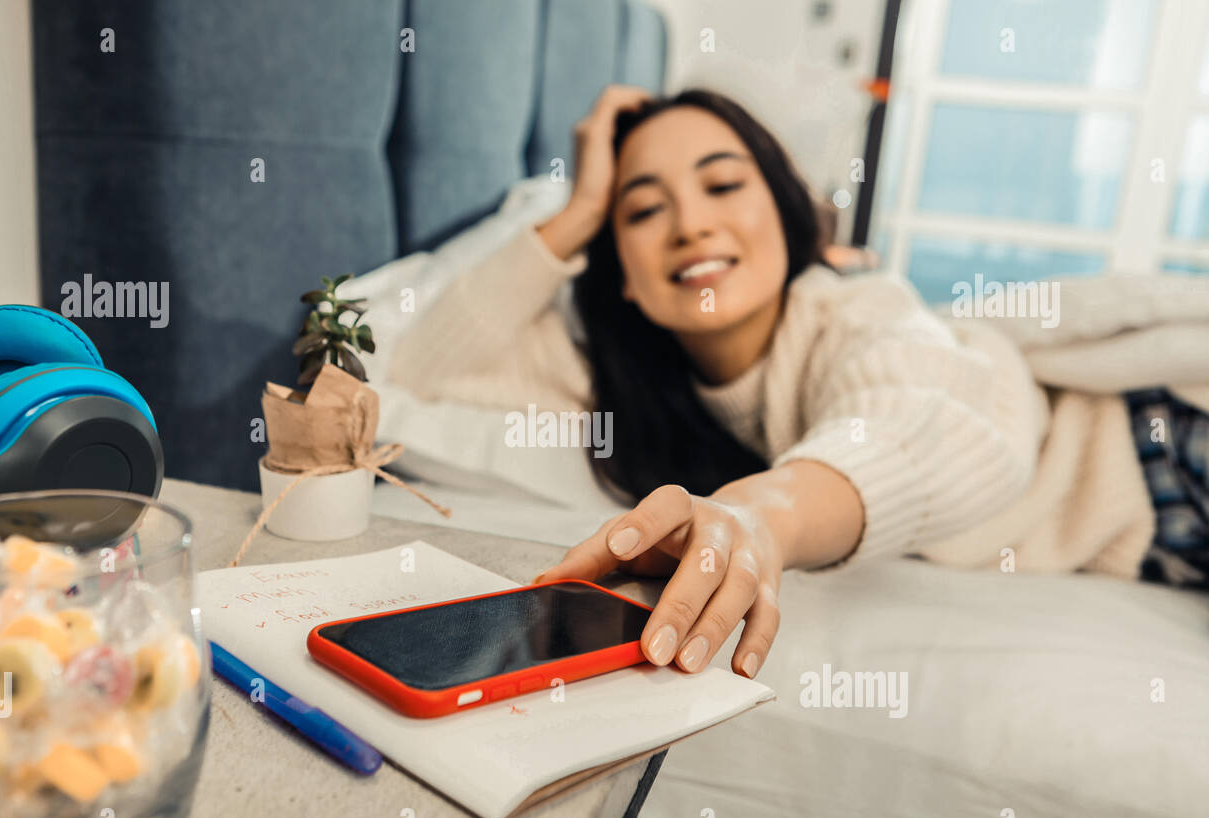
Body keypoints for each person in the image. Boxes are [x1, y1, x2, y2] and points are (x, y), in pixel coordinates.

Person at [388, 85, 1206, 681]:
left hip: (1160, 447)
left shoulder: (857, 313)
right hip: (1155, 549)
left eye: (722, 184)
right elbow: (412, 369)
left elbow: (934, 422)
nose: (693, 223)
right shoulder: (621, 384)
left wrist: (760, 514)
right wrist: (578, 210)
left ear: (783, 213)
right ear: (624, 276)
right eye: (643, 210)